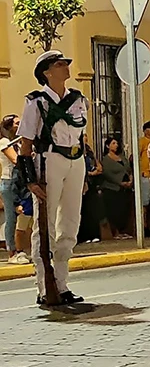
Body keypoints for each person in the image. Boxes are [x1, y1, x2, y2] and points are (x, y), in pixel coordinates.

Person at [16, 50, 89, 305]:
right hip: (48, 161)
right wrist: (30, 180)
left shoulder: (78, 99)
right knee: (44, 226)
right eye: (59, 64)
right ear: (47, 72)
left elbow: (82, 137)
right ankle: (44, 286)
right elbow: (25, 144)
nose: (66, 67)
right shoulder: (36, 102)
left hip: (75, 161)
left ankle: (62, 282)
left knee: (70, 223)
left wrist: (86, 170)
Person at [1, 115, 29, 264]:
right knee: (11, 217)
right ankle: (12, 252)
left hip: (20, 181)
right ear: (10, 126)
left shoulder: (18, 142)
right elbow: (15, 160)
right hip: (9, 181)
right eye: (17, 123)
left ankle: (20, 249)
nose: (20, 125)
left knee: (23, 215)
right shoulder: (5, 142)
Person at [98, 137, 134, 240]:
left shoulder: (122, 157)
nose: (116, 145)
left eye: (117, 143)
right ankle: (116, 232)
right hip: (112, 189)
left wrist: (130, 180)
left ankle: (124, 231)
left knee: (124, 210)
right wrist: (120, 182)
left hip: (125, 189)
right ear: (108, 146)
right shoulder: (106, 160)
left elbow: (129, 169)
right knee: (114, 211)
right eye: (113, 143)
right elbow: (108, 174)